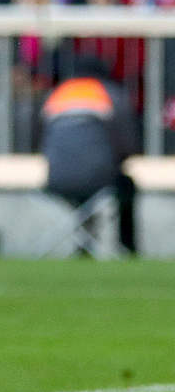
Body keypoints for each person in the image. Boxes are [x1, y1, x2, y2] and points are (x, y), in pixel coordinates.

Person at [41, 57, 139, 254]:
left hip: (55, 180)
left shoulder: (57, 94)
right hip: (99, 179)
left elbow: (41, 139)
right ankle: (127, 248)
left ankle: (83, 246)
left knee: (83, 200)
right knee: (127, 186)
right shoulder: (110, 94)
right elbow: (128, 144)